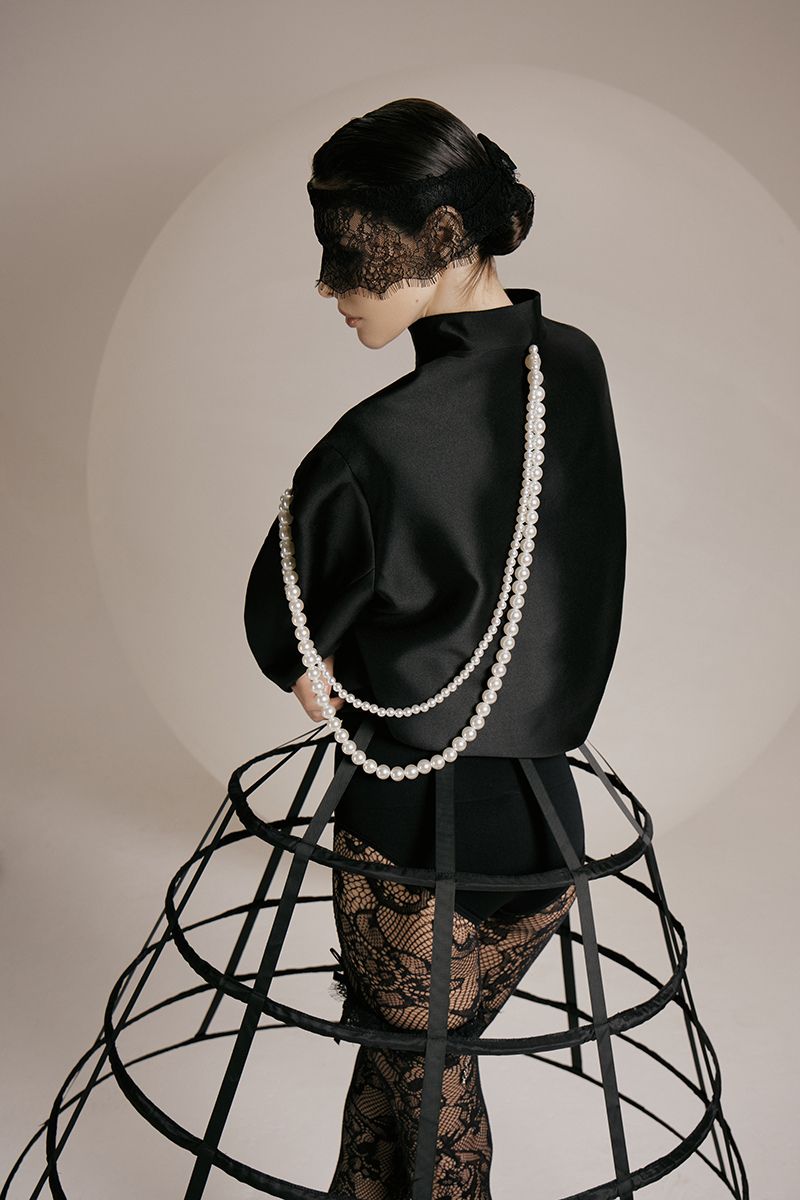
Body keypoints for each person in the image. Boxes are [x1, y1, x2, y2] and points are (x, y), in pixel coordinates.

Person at [243, 97, 626, 1199]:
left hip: (412, 834)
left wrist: (303, 660)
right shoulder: (573, 366)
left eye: (348, 247)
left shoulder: (375, 444)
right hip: (547, 827)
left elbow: (286, 615)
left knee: (423, 1104)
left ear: (444, 233)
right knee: (399, 1084)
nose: (328, 283)